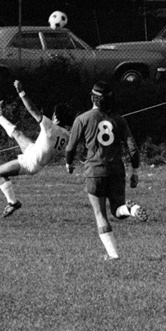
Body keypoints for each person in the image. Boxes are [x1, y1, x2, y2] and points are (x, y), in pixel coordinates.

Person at [64, 80, 147, 261]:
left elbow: (70, 148)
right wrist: (135, 171)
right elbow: (133, 148)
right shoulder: (119, 119)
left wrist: (69, 164)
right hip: (116, 171)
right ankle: (131, 210)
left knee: (100, 213)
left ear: (92, 97)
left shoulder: (83, 118)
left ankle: (113, 255)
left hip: (95, 172)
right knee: (118, 210)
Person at [0, 80, 74, 217]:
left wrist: (21, 92)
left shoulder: (51, 127)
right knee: (17, 134)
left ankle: (12, 202)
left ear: (56, 117)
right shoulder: (67, 134)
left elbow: (32, 110)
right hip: (34, 151)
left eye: (54, 114)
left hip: (31, 163)